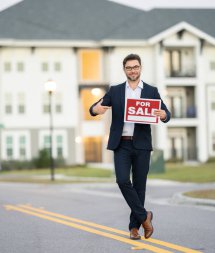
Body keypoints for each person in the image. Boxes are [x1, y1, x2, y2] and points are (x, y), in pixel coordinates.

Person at [89, 53, 171, 240]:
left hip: (142, 145)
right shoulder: (116, 90)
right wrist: (96, 109)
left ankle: (134, 228)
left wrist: (164, 115)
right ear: (124, 70)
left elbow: (166, 112)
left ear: (140, 68)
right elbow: (95, 107)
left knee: (140, 187)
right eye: (129, 68)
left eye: (135, 67)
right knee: (122, 180)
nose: (132, 70)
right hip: (122, 145)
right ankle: (145, 217)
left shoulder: (151, 91)